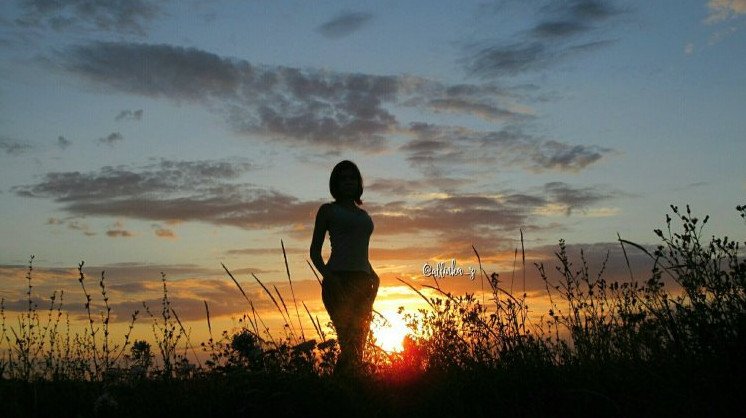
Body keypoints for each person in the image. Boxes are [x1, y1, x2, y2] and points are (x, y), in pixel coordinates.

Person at [310, 160, 380, 376]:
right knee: (349, 346)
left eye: (352, 178)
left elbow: (359, 251)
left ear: (359, 183)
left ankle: (349, 389)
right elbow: (314, 252)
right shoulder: (328, 210)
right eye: (343, 178)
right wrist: (330, 278)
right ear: (336, 183)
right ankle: (338, 389)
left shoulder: (364, 216)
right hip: (339, 281)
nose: (348, 182)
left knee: (358, 348)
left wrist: (374, 277)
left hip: (364, 283)